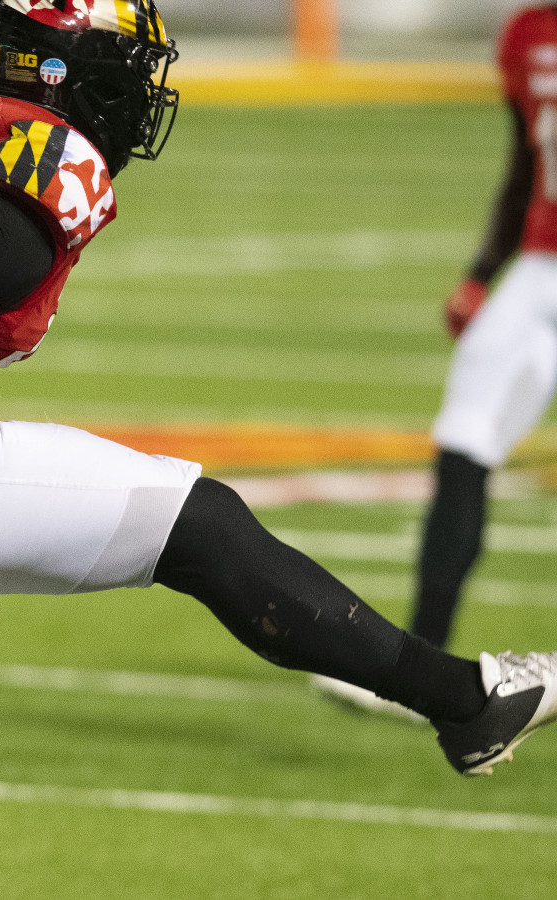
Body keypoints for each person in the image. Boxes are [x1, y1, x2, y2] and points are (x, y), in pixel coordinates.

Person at [0, 0, 557, 779]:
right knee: (197, 522)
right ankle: (466, 698)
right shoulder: (41, 151)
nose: (138, 94)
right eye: (126, 70)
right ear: (64, 67)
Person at [312, 3, 557, 717]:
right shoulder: (528, 31)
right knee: (464, 438)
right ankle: (420, 668)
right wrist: (483, 271)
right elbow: (526, 160)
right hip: (540, 266)